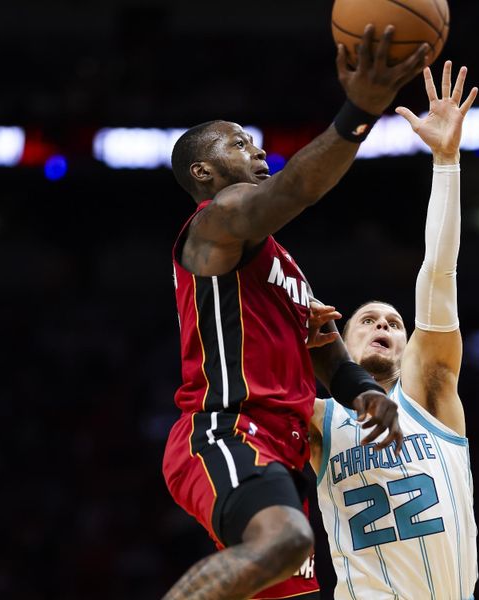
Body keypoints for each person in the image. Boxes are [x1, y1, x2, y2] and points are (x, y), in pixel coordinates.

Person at [161, 25, 429, 600]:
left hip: (281, 449)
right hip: (226, 429)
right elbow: (293, 191)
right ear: (203, 172)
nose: (257, 150)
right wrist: (360, 110)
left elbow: (326, 351)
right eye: (238, 143)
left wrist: (362, 391)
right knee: (285, 541)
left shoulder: (283, 266)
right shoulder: (217, 221)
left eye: (255, 142)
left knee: (292, 577)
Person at [309, 61, 479, 599]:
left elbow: (438, 273)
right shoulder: (317, 419)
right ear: (344, 340)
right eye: (368, 319)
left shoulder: (428, 393)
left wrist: (446, 162)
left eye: (395, 322)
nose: (384, 322)